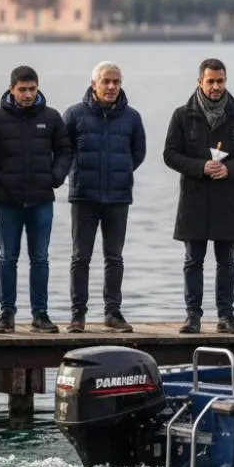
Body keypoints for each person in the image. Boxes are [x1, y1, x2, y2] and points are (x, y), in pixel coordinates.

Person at [163, 58, 234, 334]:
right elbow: (169, 154)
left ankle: (226, 316)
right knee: (193, 260)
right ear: (200, 82)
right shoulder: (182, 115)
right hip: (194, 198)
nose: (216, 86)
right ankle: (192, 316)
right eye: (211, 81)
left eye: (220, 81)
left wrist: (229, 169)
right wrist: (200, 167)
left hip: (228, 197)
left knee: (226, 261)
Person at [0, 66, 72, 334]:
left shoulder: (51, 117)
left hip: (42, 199)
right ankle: (7, 315)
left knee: (40, 258)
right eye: (22, 90)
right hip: (7, 201)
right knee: (7, 258)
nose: (28, 94)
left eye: (32, 89)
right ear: (12, 89)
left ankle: (40, 315)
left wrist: (56, 176)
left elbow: (65, 151)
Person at [63, 61, 146, 334]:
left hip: (118, 196)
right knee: (80, 257)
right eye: (106, 82)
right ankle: (78, 315)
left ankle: (113, 312)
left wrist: (117, 173)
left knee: (114, 257)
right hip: (84, 196)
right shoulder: (74, 115)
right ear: (94, 84)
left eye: (116, 82)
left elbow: (138, 153)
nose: (111, 87)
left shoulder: (132, 117)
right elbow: (63, 151)